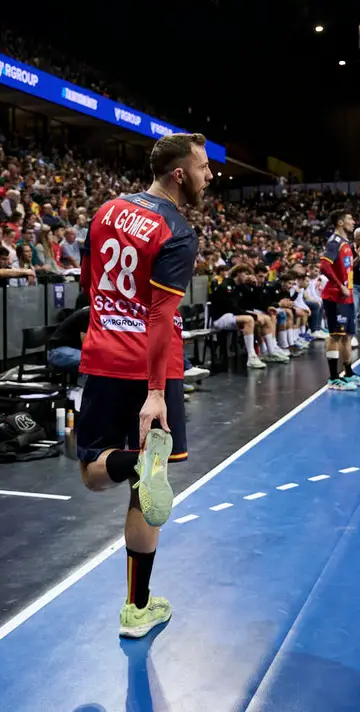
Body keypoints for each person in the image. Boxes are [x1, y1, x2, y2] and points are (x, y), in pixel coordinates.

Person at [77, 133, 209, 639]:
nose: (209, 175)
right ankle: (136, 609)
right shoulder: (176, 230)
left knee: (91, 470)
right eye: (202, 167)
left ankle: (136, 463)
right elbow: (159, 316)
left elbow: (90, 283)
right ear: (179, 174)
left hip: (103, 355)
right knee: (145, 487)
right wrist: (156, 391)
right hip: (153, 367)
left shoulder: (105, 210)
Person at [319, 211, 360, 390]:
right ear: (340, 223)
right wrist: (340, 285)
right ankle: (333, 378)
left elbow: (343, 268)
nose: (353, 221)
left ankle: (348, 373)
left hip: (346, 296)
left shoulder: (346, 244)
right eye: (350, 219)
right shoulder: (335, 242)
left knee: (348, 335)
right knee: (335, 335)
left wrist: (356, 260)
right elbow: (324, 265)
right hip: (335, 296)